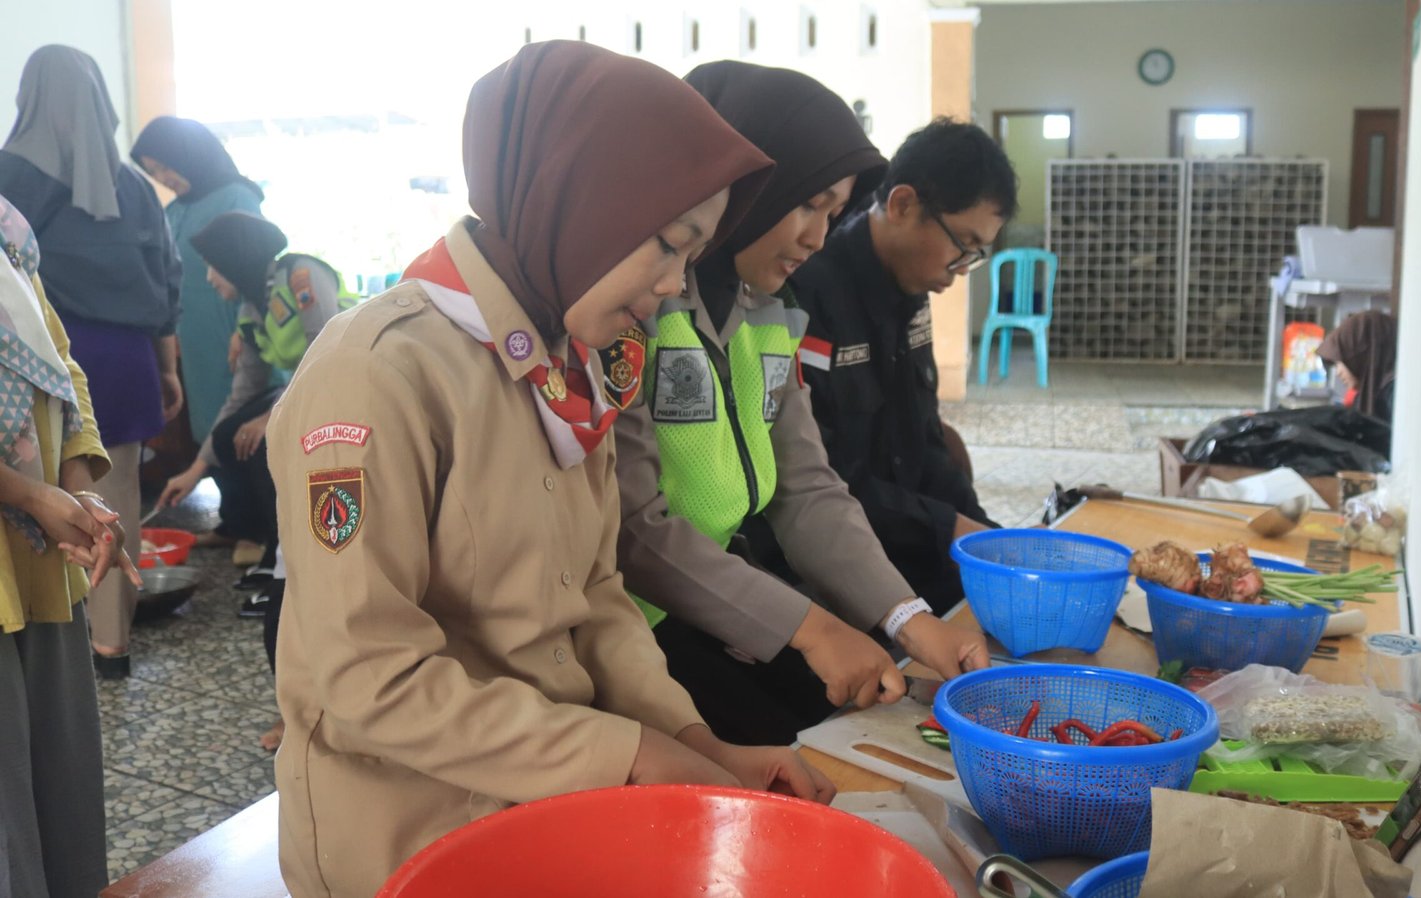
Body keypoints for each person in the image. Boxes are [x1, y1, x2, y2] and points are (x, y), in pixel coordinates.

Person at [265, 42, 834, 898]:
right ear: (583, 204)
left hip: (559, 807)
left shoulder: (574, 362)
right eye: (670, 246)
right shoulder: (380, 372)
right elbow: (369, 680)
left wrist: (691, 738)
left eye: (694, 255)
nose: (677, 287)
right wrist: (629, 755)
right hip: (411, 838)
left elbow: (597, 594)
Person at [616, 62, 990, 749]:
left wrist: (907, 616)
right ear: (752, 187)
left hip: (730, 600)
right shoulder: (638, 311)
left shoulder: (770, 314)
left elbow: (808, 487)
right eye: (808, 203)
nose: (819, 236)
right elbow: (637, 532)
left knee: (867, 721)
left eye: (834, 212)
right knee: (795, 747)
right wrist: (809, 628)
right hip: (642, 625)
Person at [0, 46, 183, 679]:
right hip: (130, 355)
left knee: (37, 497)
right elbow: (167, 276)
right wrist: (167, 367)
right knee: (116, 497)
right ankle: (113, 642)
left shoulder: (10, 175)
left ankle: (41, 637)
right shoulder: (133, 182)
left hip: (46, 360)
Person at [786, 118, 1017, 612]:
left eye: (975, 256)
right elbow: (820, 479)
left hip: (915, 553)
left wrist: (988, 537)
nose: (958, 272)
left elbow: (925, 443)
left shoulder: (912, 285)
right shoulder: (807, 294)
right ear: (903, 204)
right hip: (837, 574)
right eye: (962, 246)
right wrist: (948, 527)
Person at [154, 210, 357, 750]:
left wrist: (275, 415)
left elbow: (329, 354)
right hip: (307, 411)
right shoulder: (251, 310)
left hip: (352, 407)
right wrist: (195, 467)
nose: (208, 279)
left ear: (235, 257)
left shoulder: (301, 277)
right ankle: (273, 545)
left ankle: (276, 550)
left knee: (308, 577)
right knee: (231, 439)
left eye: (212, 266)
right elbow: (242, 394)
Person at [0, 192, 139, 898]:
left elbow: (60, 364)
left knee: (62, 786)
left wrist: (77, 485)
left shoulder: (8, 231)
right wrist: (29, 495)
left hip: (38, 559)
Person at [132, 116, 265, 549]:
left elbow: (255, 262)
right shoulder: (173, 210)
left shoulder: (236, 195)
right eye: (153, 172)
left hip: (232, 329)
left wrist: (246, 326)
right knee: (209, 417)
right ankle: (233, 519)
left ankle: (259, 526)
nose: (163, 178)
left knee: (241, 415)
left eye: (165, 166)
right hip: (193, 337)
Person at [1318, 310, 1398, 423]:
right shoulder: (1369, 396)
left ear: (1361, 354)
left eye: (1341, 361)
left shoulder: (1394, 397)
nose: (1338, 372)